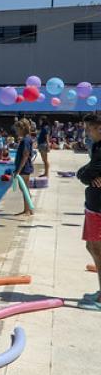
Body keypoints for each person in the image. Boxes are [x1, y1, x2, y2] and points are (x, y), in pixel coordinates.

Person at [77, 113, 101, 310]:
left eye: (89, 129)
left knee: (98, 250)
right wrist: (85, 174)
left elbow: (90, 173)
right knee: (91, 248)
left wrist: (85, 174)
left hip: (98, 207)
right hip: (93, 205)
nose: (87, 132)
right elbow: (87, 172)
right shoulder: (97, 147)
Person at [12, 120, 35, 217]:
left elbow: (25, 155)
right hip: (24, 168)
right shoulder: (26, 138)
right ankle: (28, 209)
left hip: (24, 168)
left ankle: (28, 210)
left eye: (17, 130)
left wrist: (18, 170)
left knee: (24, 189)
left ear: (22, 129)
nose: (16, 132)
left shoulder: (26, 140)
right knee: (24, 189)